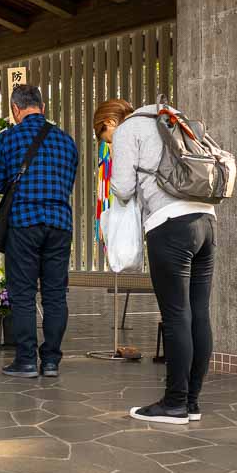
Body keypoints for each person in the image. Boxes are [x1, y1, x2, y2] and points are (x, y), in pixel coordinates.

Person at [94, 98, 216, 425]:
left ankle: (175, 403)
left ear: (109, 122)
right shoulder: (172, 115)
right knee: (198, 313)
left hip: (170, 224)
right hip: (205, 220)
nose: (109, 142)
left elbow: (120, 188)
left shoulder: (127, 130)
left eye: (105, 137)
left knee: (176, 316)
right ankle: (191, 402)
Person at [0, 85, 78, 378]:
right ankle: (51, 361)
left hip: (24, 223)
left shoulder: (7, 138)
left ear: (15, 109)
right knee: (54, 295)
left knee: (23, 294)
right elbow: (68, 181)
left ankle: (26, 361)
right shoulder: (66, 141)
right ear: (41, 106)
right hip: (59, 224)